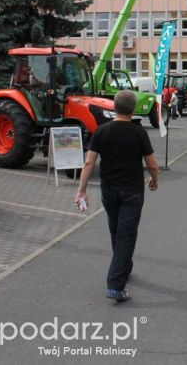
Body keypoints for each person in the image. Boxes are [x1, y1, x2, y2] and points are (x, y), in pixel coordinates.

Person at [73, 90, 159, 303]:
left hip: (108, 189)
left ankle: (124, 266)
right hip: (132, 191)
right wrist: (154, 178)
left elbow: (89, 163)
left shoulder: (101, 131)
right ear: (133, 109)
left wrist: (81, 190)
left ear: (114, 107)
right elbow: (152, 164)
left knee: (116, 229)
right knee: (126, 235)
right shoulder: (139, 133)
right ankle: (115, 285)